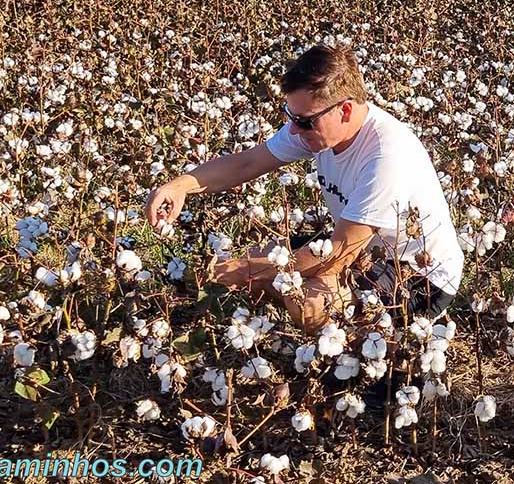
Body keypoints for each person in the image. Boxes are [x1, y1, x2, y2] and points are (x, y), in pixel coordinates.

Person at [144, 44, 463, 333]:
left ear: (346, 110)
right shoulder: (318, 127)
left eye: (304, 120)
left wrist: (240, 271)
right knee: (267, 262)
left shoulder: (386, 156)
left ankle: (361, 362)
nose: (295, 129)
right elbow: (248, 163)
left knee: (307, 301)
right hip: (363, 250)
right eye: (290, 116)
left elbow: (338, 254)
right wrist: (181, 185)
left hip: (421, 278)